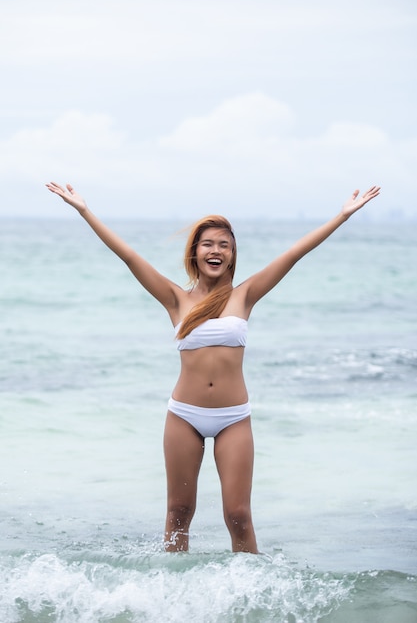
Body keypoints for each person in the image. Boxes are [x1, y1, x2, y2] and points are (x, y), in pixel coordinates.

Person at [46, 181, 380, 554]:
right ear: (195, 253)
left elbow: (295, 253)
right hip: (184, 416)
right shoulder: (175, 299)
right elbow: (128, 256)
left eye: (224, 244)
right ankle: (172, 593)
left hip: (233, 417)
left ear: (233, 255)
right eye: (208, 244)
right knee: (178, 512)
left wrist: (342, 215)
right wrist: (84, 210)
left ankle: (252, 594)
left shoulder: (245, 295)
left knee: (238, 515)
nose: (215, 250)